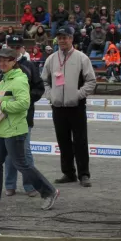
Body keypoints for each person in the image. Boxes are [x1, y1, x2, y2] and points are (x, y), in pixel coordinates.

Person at [0, 47, 59, 210]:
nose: (3, 63)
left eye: (6, 60)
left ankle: (49, 191)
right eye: (0, 60)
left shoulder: (19, 80)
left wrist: (2, 104)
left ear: (14, 62)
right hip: (2, 129)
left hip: (15, 130)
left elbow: (24, 104)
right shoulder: (2, 80)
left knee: (22, 165)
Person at [41, 27, 96, 187]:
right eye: (60, 37)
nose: (62, 40)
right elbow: (44, 80)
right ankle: (68, 173)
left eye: (65, 37)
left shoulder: (82, 58)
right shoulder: (51, 59)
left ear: (72, 39)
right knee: (63, 141)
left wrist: (77, 95)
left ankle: (84, 174)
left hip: (76, 106)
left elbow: (91, 81)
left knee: (80, 141)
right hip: (58, 107)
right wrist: (51, 95)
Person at [0, 37, 44, 198]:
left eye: (17, 46)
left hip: (23, 116)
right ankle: (10, 185)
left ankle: (30, 186)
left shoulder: (29, 67)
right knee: (7, 156)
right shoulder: (0, 69)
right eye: (11, 45)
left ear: (21, 48)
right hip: (2, 118)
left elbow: (38, 89)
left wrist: (22, 100)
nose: (15, 48)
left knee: (24, 155)